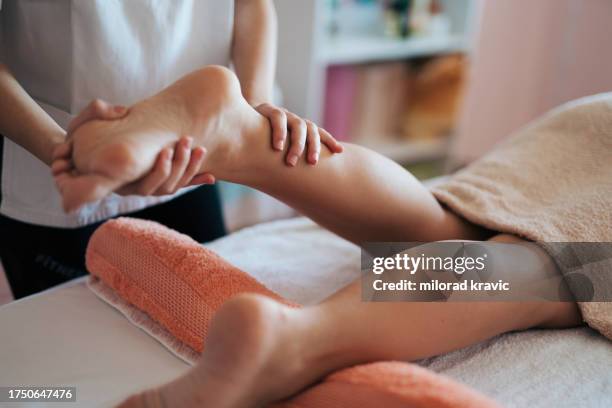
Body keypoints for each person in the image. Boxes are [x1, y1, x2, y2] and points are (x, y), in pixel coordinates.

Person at [52, 66, 581, 407]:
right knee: (565, 264)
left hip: (583, 126)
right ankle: (294, 343)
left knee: (449, 220)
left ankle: (238, 133)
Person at [0, 0, 340, 298]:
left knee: (198, 312)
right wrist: (58, 147)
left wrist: (256, 106)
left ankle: (316, 332)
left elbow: (249, 3)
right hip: (52, 154)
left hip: (193, 154)